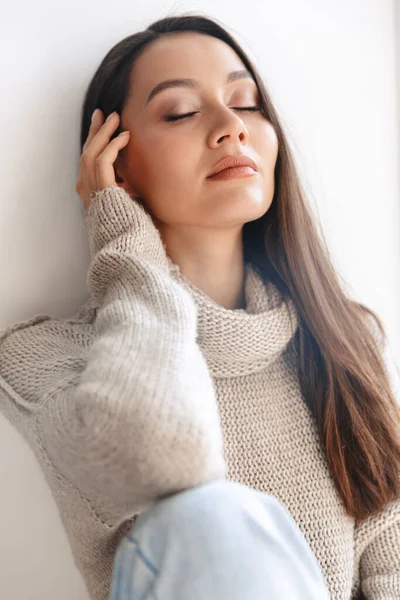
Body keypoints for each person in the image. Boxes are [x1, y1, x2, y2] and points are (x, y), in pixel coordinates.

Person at [1, 12, 399, 600]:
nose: (230, 126)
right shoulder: (43, 359)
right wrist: (122, 240)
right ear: (118, 165)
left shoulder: (338, 341)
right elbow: (161, 453)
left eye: (248, 103)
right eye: (181, 112)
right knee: (208, 520)